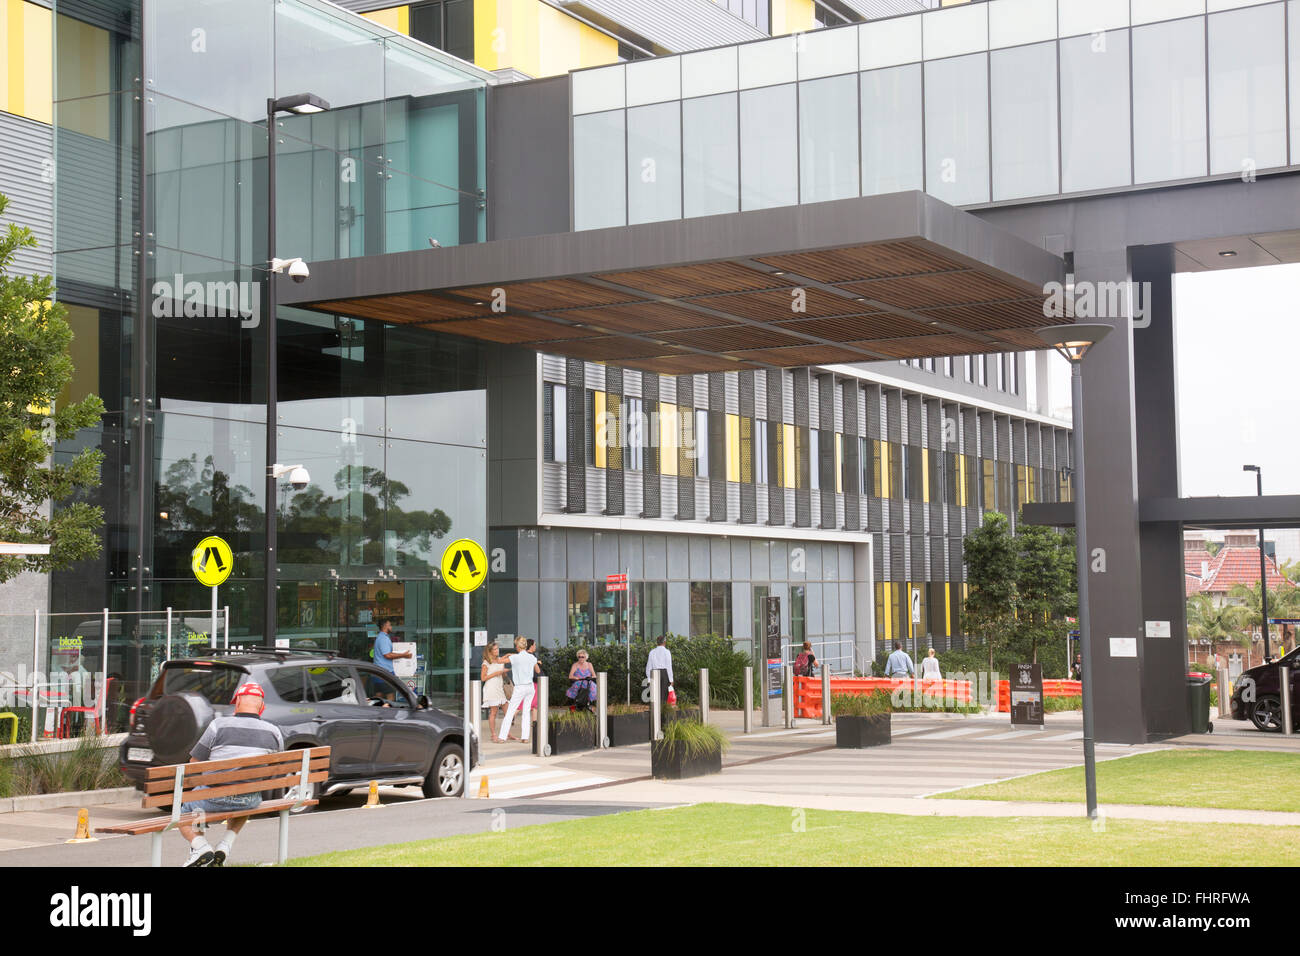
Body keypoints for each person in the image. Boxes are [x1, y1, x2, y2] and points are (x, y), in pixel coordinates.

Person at [178, 682, 284, 867]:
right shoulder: (273, 732)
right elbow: (277, 767)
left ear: (237, 703)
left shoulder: (218, 726)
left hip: (214, 798)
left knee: (187, 810)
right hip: (250, 799)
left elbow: (194, 764)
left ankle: (201, 846)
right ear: (261, 707)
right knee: (247, 793)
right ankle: (225, 846)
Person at [498, 636, 539, 743]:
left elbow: (499, 661)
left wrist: (507, 655)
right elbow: (537, 670)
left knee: (510, 711)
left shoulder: (515, 658)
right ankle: (525, 737)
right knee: (526, 712)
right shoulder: (531, 657)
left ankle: (502, 737)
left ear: (517, 646)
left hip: (520, 687)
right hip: (530, 687)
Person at [480, 642, 509, 742]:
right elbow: (483, 678)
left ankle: (507, 733)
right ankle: (493, 735)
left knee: (508, 712)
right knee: (494, 712)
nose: (497, 651)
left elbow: (502, 675)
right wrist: (496, 673)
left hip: (499, 688)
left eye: (497, 649)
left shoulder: (499, 660)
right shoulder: (486, 662)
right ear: (490, 651)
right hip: (491, 689)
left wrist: (503, 673)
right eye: (495, 649)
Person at [646, 635, 674, 701]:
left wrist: (649, 679)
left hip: (654, 673)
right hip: (664, 674)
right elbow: (669, 667)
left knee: (655, 695)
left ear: (657, 643)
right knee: (663, 695)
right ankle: (662, 709)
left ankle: (655, 710)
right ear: (664, 642)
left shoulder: (652, 652)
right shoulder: (667, 652)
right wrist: (671, 679)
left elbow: (648, 667)